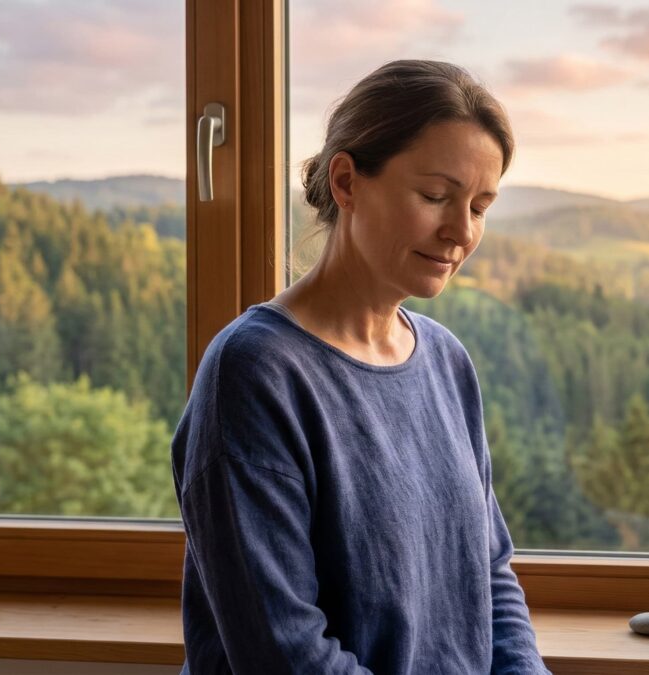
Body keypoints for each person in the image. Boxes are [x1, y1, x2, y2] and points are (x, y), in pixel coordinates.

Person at [171, 59, 551, 674]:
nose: (460, 231)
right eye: (435, 196)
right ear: (345, 182)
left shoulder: (446, 361)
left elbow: (489, 577)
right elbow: (285, 655)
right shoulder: (254, 373)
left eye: (480, 206)